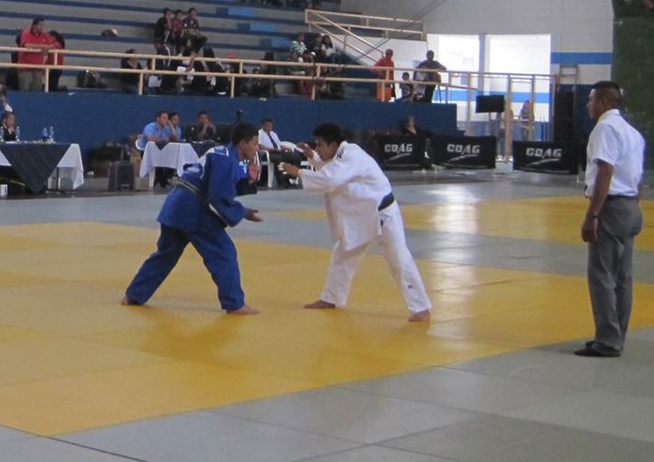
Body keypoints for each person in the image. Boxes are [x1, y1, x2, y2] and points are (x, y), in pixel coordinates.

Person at [279, 122, 431, 322]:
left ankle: (421, 308)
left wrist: (299, 172)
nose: (317, 148)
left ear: (333, 145)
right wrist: (313, 157)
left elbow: (332, 179)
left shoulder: (352, 154)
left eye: (320, 145)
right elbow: (333, 169)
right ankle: (331, 298)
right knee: (342, 254)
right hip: (363, 217)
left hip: (382, 214)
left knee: (398, 259)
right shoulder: (340, 157)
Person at [122, 123, 263, 315]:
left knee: (166, 254)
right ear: (243, 143)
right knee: (224, 253)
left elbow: (223, 186)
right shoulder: (226, 160)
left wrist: (248, 180)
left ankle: (134, 295)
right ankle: (235, 303)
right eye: (255, 143)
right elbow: (218, 195)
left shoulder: (222, 154)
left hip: (176, 205)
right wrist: (242, 211)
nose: (257, 148)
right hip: (192, 209)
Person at [577, 81, 645, 358]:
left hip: (611, 207)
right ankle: (617, 335)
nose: (588, 105)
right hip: (630, 206)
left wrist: (593, 213)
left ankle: (607, 339)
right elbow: (639, 178)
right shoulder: (632, 132)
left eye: (591, 99)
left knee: (602, 276)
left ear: (603, 102)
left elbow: (605, 170)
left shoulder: (605, 129)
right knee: (622, 277)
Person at [257, 117, 302, 187]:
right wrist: (273, 149)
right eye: (268, 125)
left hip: (278, 152)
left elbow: (279, 145)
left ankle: (290, 177)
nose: (270, 127)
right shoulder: (259, 133)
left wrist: (286, 148)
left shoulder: (273, 134)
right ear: (263, 126)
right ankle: (281, 181)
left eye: (271, 125)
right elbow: (260, 146)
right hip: (268, 153)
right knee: (278, 159)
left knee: (295, 158)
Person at [16, 17, 58, 92]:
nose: (42, 27)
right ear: (34, 25)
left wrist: (47, 48)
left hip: (38, 68)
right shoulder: (26, 33)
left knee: (37, 89)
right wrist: (42, 46)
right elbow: (27, 45)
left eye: (43, 25)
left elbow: (53, 46)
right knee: (25, 89)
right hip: (25, 67)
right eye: (40, 25)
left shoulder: (44, 35)